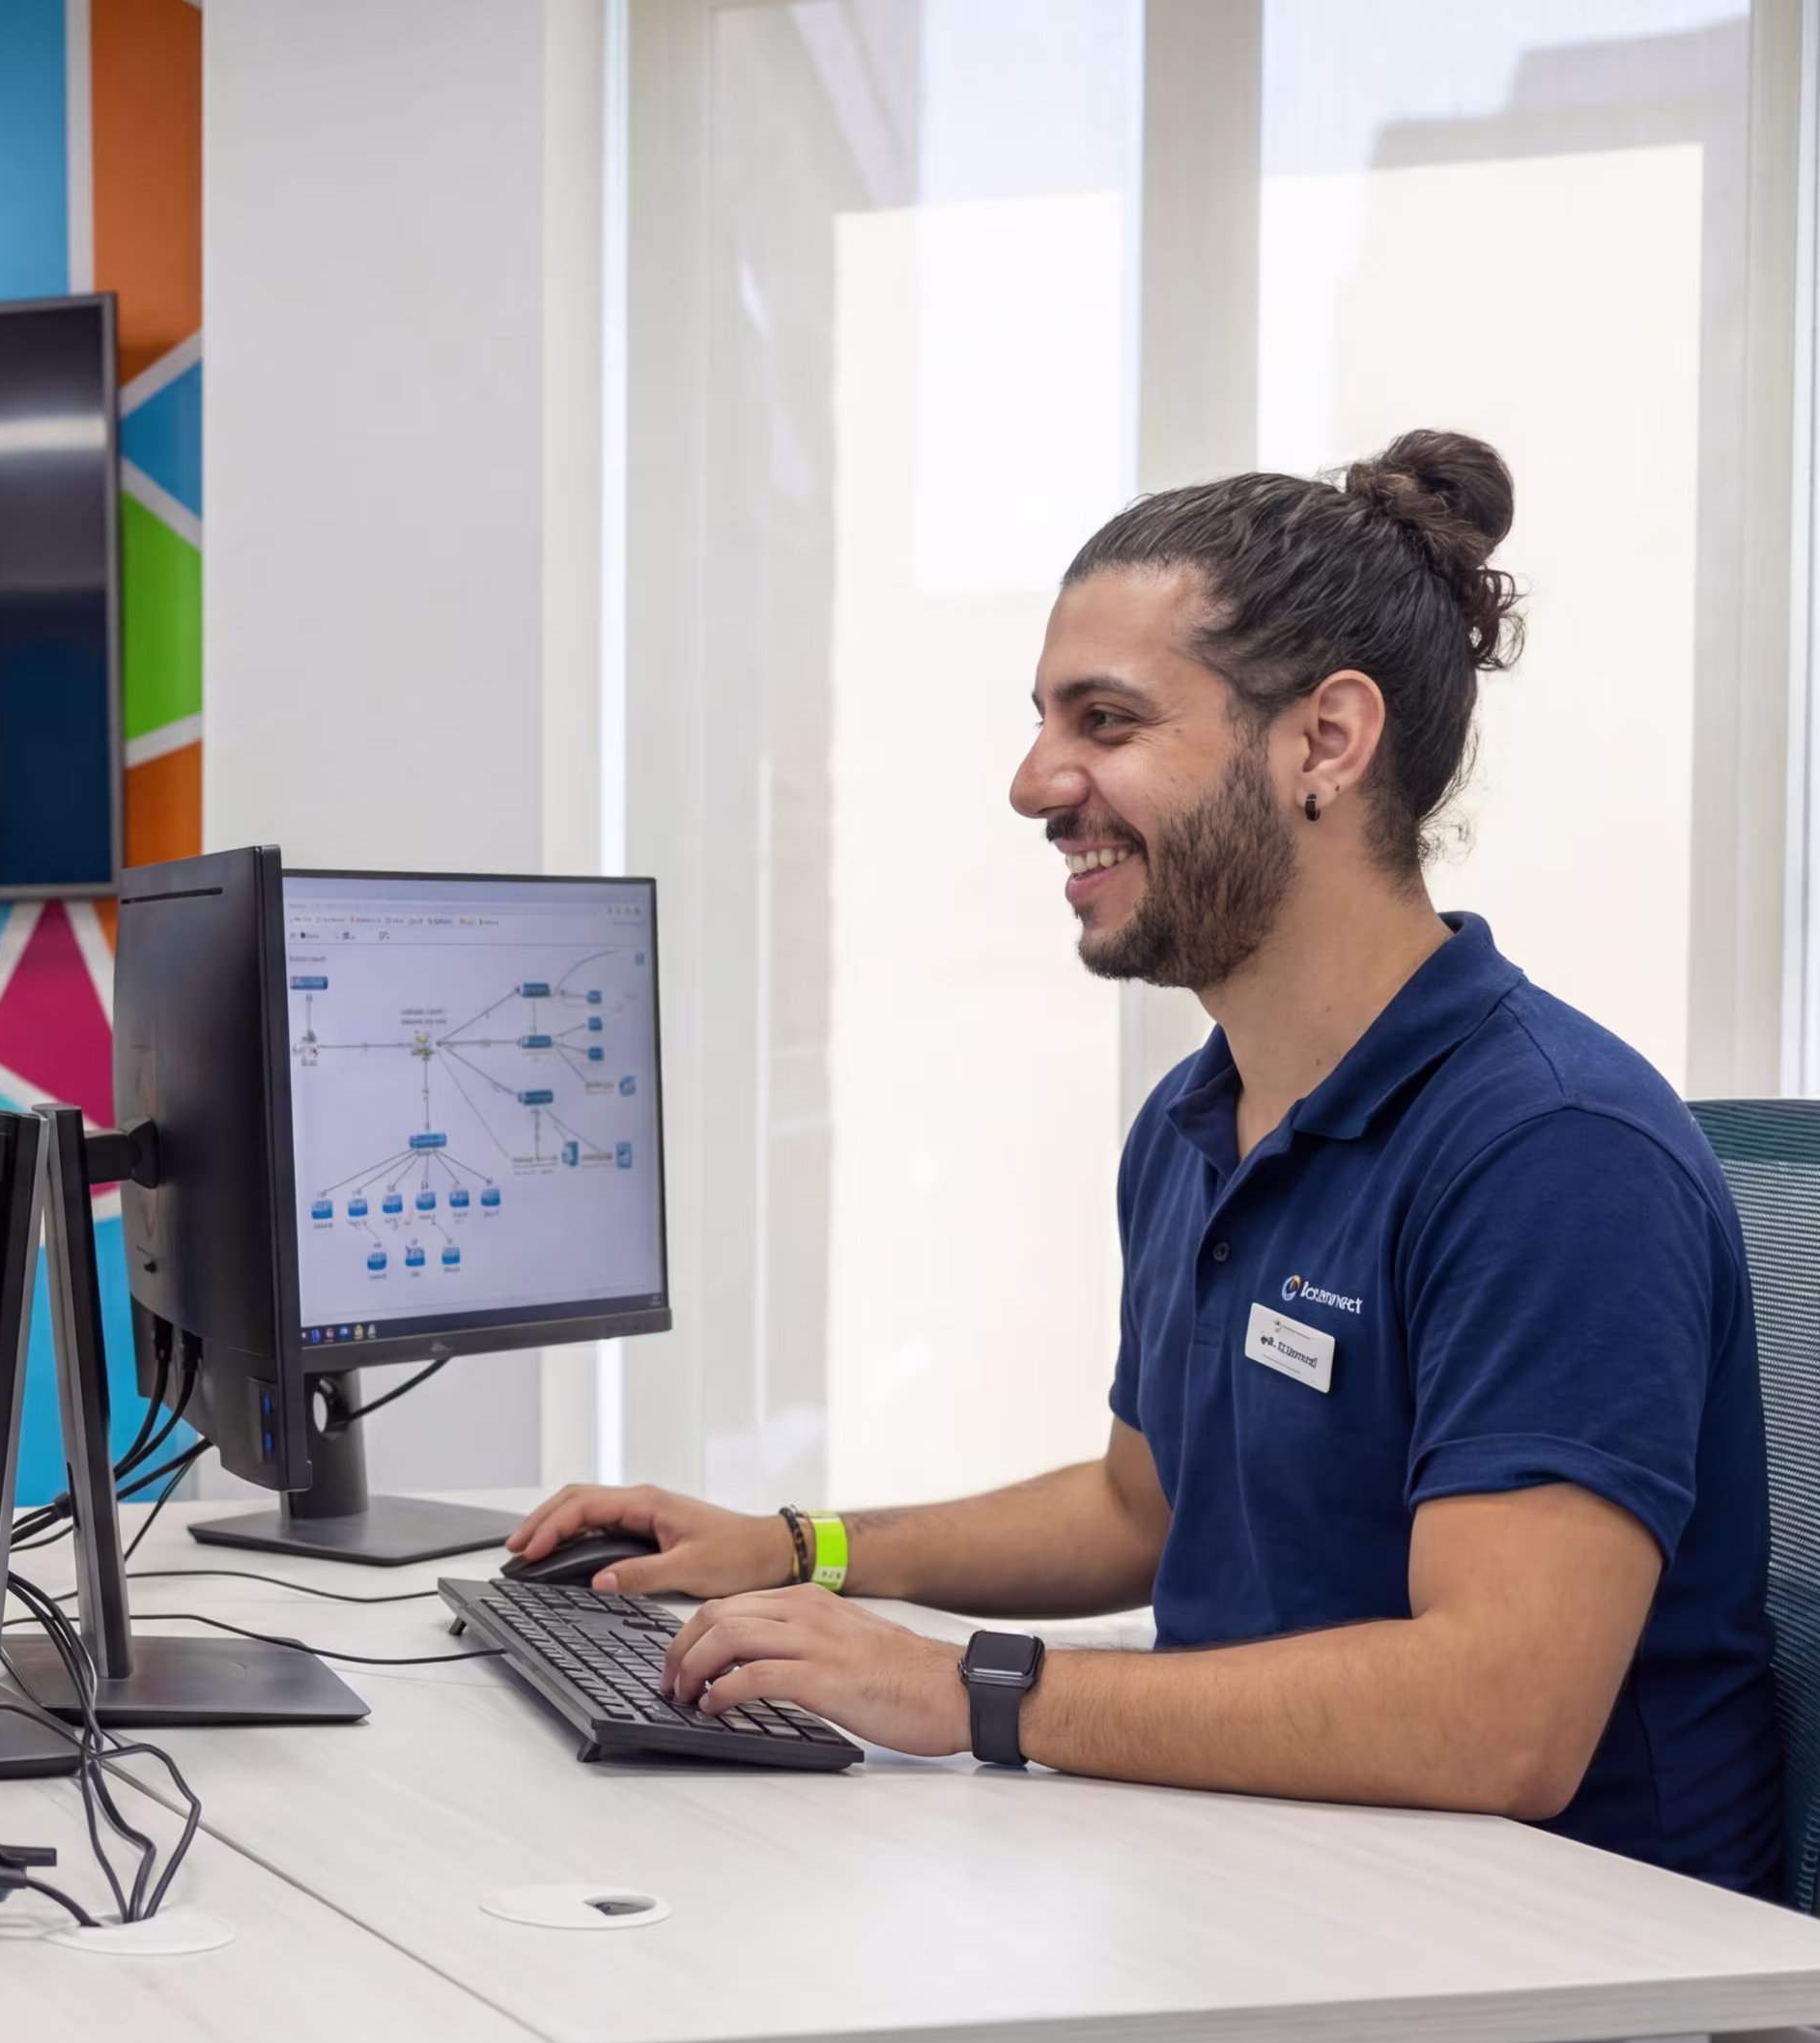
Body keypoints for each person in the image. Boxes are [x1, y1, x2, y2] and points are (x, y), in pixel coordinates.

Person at [509, 429, 1780, 1902]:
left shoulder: (1552, 1152)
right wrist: (805, 1547)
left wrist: (972, 1690)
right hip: (1264, 1897)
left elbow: (1504, 1719)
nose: (1036, 782)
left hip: (1547, 2012)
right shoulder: (1204, 1116)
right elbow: (1146, 1506)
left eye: (1104, 722)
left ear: (1325, 740)